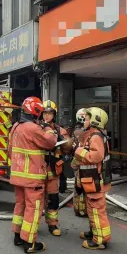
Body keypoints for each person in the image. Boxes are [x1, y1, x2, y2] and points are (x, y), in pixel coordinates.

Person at [9, 97, 57, 254]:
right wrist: (48, 128)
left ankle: (17, 235)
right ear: (36, 112)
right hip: (32, 177)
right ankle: (29, 242)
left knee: (20, 205)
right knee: (33, 209)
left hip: (18, 176)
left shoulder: (16, 127)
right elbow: (50, 142)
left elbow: (10, 151)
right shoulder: (33, 128)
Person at [72, 107, 112, 250]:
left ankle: (100, 240)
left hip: (95, 181)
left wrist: (78, 151)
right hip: (91, 181)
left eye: (88, 118)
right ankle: (94, 233)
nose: (85, 121)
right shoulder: (93, 135)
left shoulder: (96, 137)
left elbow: (95, 156)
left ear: (95, 121)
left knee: (96, 210)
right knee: (91, 209)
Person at [41, 100, 72, 236]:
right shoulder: (36, 128)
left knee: (53, 198)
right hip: (39, 169)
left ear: (54, 115)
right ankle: (32, 225)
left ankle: (52, 225)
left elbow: (69, 146)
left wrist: (62, 139)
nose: (47, 116)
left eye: (50, 113)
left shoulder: (60, 130)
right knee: (36, 200)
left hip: (53, 170)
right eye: (45, 113)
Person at [72, 108, 88, 218]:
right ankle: (84, 209)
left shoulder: (75, 131)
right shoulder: (88, 131)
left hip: (77, 160)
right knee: (85, 186)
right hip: (85, 161)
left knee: (77, 187)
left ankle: (78, 209)